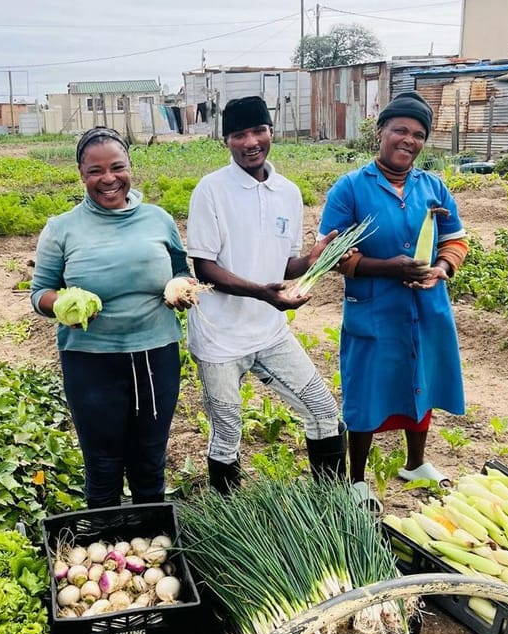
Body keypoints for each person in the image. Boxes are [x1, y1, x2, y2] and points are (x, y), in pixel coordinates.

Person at [186, 95, 346, 494]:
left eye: (258, 131)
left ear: (271, 132)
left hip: (270, 333)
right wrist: (262, 293)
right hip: (219, 339)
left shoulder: (287, 192)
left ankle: (333, 502)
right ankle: (229, 511)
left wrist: (312, 260)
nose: (251, 142)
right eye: (239, 135)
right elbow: (204, 268)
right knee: (227, 432)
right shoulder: (211, 190)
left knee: (323, 410)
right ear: (226, 141)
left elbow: (284, 265)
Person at [31, 126, 195, 509]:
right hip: (91, 362)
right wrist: (62, 305)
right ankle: (105, 540)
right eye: (96, 171)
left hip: (155, 356)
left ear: (130, 167)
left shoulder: (158, 220)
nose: (108, 179)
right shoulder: (61, 229)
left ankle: (150, 537)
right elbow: (39, 293)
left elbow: (180, 270)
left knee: (149, 461)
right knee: (102, 465)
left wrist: (182, 289)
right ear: (81, 174)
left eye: (117, 167)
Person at [319, 90, 469, 509]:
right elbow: (333, 255)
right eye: (400, 130)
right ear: (380, 132)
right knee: (366, 391)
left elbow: (456, 239)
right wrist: (389, 268)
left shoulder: (433, 187)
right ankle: (356, 479)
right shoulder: (350, 188)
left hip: (426, 307)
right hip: (374, 309)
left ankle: (415, 463)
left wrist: (443, 268)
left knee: (422, 380)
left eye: (418, 135)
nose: (409, 140)